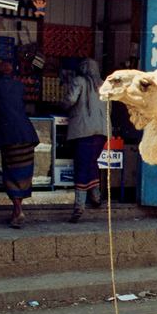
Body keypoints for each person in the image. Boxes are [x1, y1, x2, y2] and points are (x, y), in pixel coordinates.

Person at [0, 61, 40, 228]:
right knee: (23, 173)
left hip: (9, 136)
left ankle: (18, 209)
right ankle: (16, 212)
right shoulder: (19, 86)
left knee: (12, 174)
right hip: (27, 134)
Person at [62, 58, 108, 223]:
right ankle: (96, 197)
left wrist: (63, 105)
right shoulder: (103, 84)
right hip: (101, 131)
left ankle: (79, 206)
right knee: (92, 163)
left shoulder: (78, 81)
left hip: (83, 130)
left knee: (82, 166)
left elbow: (70, 100)